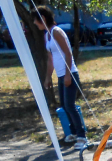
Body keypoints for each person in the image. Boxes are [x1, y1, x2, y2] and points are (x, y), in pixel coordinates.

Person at [32, 6, 87, 150]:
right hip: (60, 75)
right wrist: (48, 77)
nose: (34, 23)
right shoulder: (47, 35)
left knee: (70, 105)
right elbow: (51, 60)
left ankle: (82, 136)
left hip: (70, 73)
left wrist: (68, 75)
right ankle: (73, 133)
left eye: (35, 20)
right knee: (64, 105)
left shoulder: (57, 32)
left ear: (42, 18)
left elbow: (68, 54)